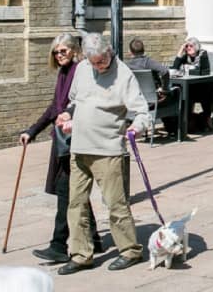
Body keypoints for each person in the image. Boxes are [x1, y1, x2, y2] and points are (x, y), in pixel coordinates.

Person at [54, 33, 149, 274]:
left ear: (110, 52)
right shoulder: (83, 69)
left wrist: (136, 128)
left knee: (115, 203)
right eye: (94, 62)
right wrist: (67, 115)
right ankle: (80, 254)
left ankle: (129, 251)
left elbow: (141, 111)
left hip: (107, 149)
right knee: (75, 204)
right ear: (85, 57)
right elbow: (75, 102)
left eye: (103, 60)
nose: (99, 66)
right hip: (79, 147)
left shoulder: (123, 73)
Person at [19, 34, 102, 264]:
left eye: (63, 50)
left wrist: (70, 116)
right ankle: (94, 238)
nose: (59, 55)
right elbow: (54, 108)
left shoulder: (79, 72)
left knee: (66, 193)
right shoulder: (63, 73)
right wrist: (32, 131)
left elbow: (84, 102)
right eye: (56, 52)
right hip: (63, 141)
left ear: (74, 50)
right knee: (75, 191)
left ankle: (58, 244)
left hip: (76, 141)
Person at [125, 37, 177, 136]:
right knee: (176, 95)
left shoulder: (127, 66)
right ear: (143, 49)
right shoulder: (147, 62)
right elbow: (165, 71)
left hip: (137, 101)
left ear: (129, 51)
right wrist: (165, 89)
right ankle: (173, 129)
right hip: (153, 102)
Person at [171, 36, 213, 131]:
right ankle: (188, 121)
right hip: (191, 86)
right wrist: (180, 52)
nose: (188, 48)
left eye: (191, 46)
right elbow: (174, 68)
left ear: (196, 47)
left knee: (200, 94)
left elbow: (203, 70)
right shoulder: (185, 56)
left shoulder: (202, 54)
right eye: (187, 46)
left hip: (204, 86)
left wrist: (188, 69)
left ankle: (204, 119)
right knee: (183, 93)